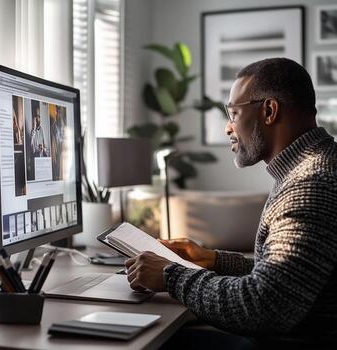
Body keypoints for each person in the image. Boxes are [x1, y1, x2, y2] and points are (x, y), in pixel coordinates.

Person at [125, 58, 337, 349]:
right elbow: (289, 277)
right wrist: (214, 261)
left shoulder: (311, 183)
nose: (228, 128)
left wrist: (169, 275)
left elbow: (265, 305)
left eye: (234, 113)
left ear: (269, 111)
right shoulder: (310, 167)